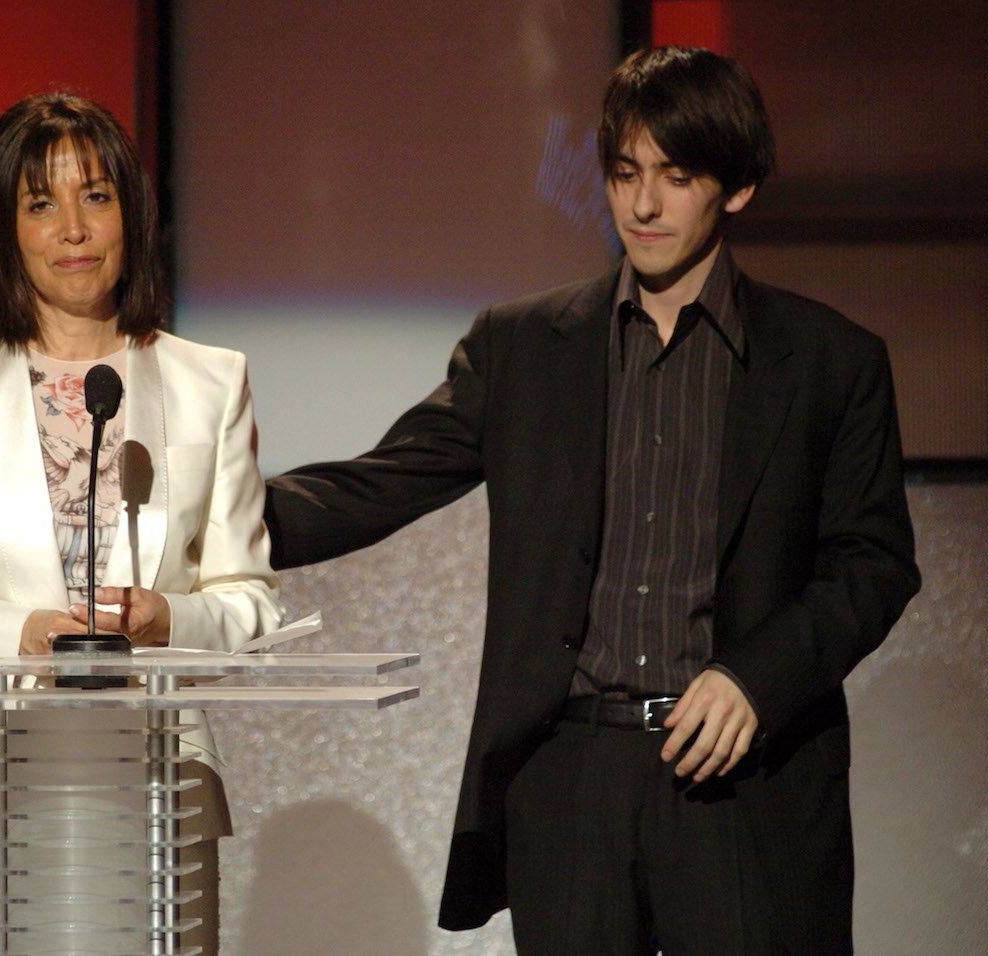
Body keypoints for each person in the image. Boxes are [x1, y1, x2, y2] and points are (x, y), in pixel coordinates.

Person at [264, 47, 920, 954]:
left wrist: (753, 679)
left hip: (740, 777)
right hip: (568, 778)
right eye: (624, 174)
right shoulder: (524, 346)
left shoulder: (830, 361)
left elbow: (874, 565)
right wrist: (192, 524)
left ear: (735, 190)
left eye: (677, 177)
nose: (642, 206)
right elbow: (384, 481)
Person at [0, 92, 281, 955]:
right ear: (5, 230)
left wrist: (170, 619)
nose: (74, 229)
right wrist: (22, 633)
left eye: (97, 196)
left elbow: (251, 600)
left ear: (132, 213)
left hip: (157, 789)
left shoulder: (210, 382)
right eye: (41, 204)